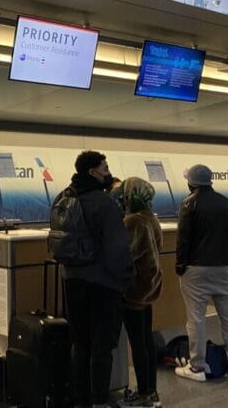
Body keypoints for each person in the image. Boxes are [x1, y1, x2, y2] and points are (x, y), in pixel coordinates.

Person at [61, 151, 134, 408]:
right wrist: (126, 278)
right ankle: (99, 400)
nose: (108, 171)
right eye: (104, 167)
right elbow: (117, 248)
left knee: (80, 344)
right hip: (103, 284)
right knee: (102, 347)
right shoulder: (104, 204)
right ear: (93, 171)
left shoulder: (64, 197)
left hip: (72, 280)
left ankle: (80, 400)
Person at [175, 164, 228, 382]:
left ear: (192, 182)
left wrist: (180, 265)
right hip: (222, 267)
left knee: (196, 318)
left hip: (196, 269)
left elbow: (183, 238)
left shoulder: (189, 204)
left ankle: (197, 367)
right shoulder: (227, 204)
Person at [120, 178, 163, 408]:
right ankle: (152, 390)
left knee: (138, 344)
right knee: (146, 340)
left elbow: (126, 255)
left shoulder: (132, 222)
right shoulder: (151, 219)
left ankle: (145, 392)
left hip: (134, 291)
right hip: (150, 289)